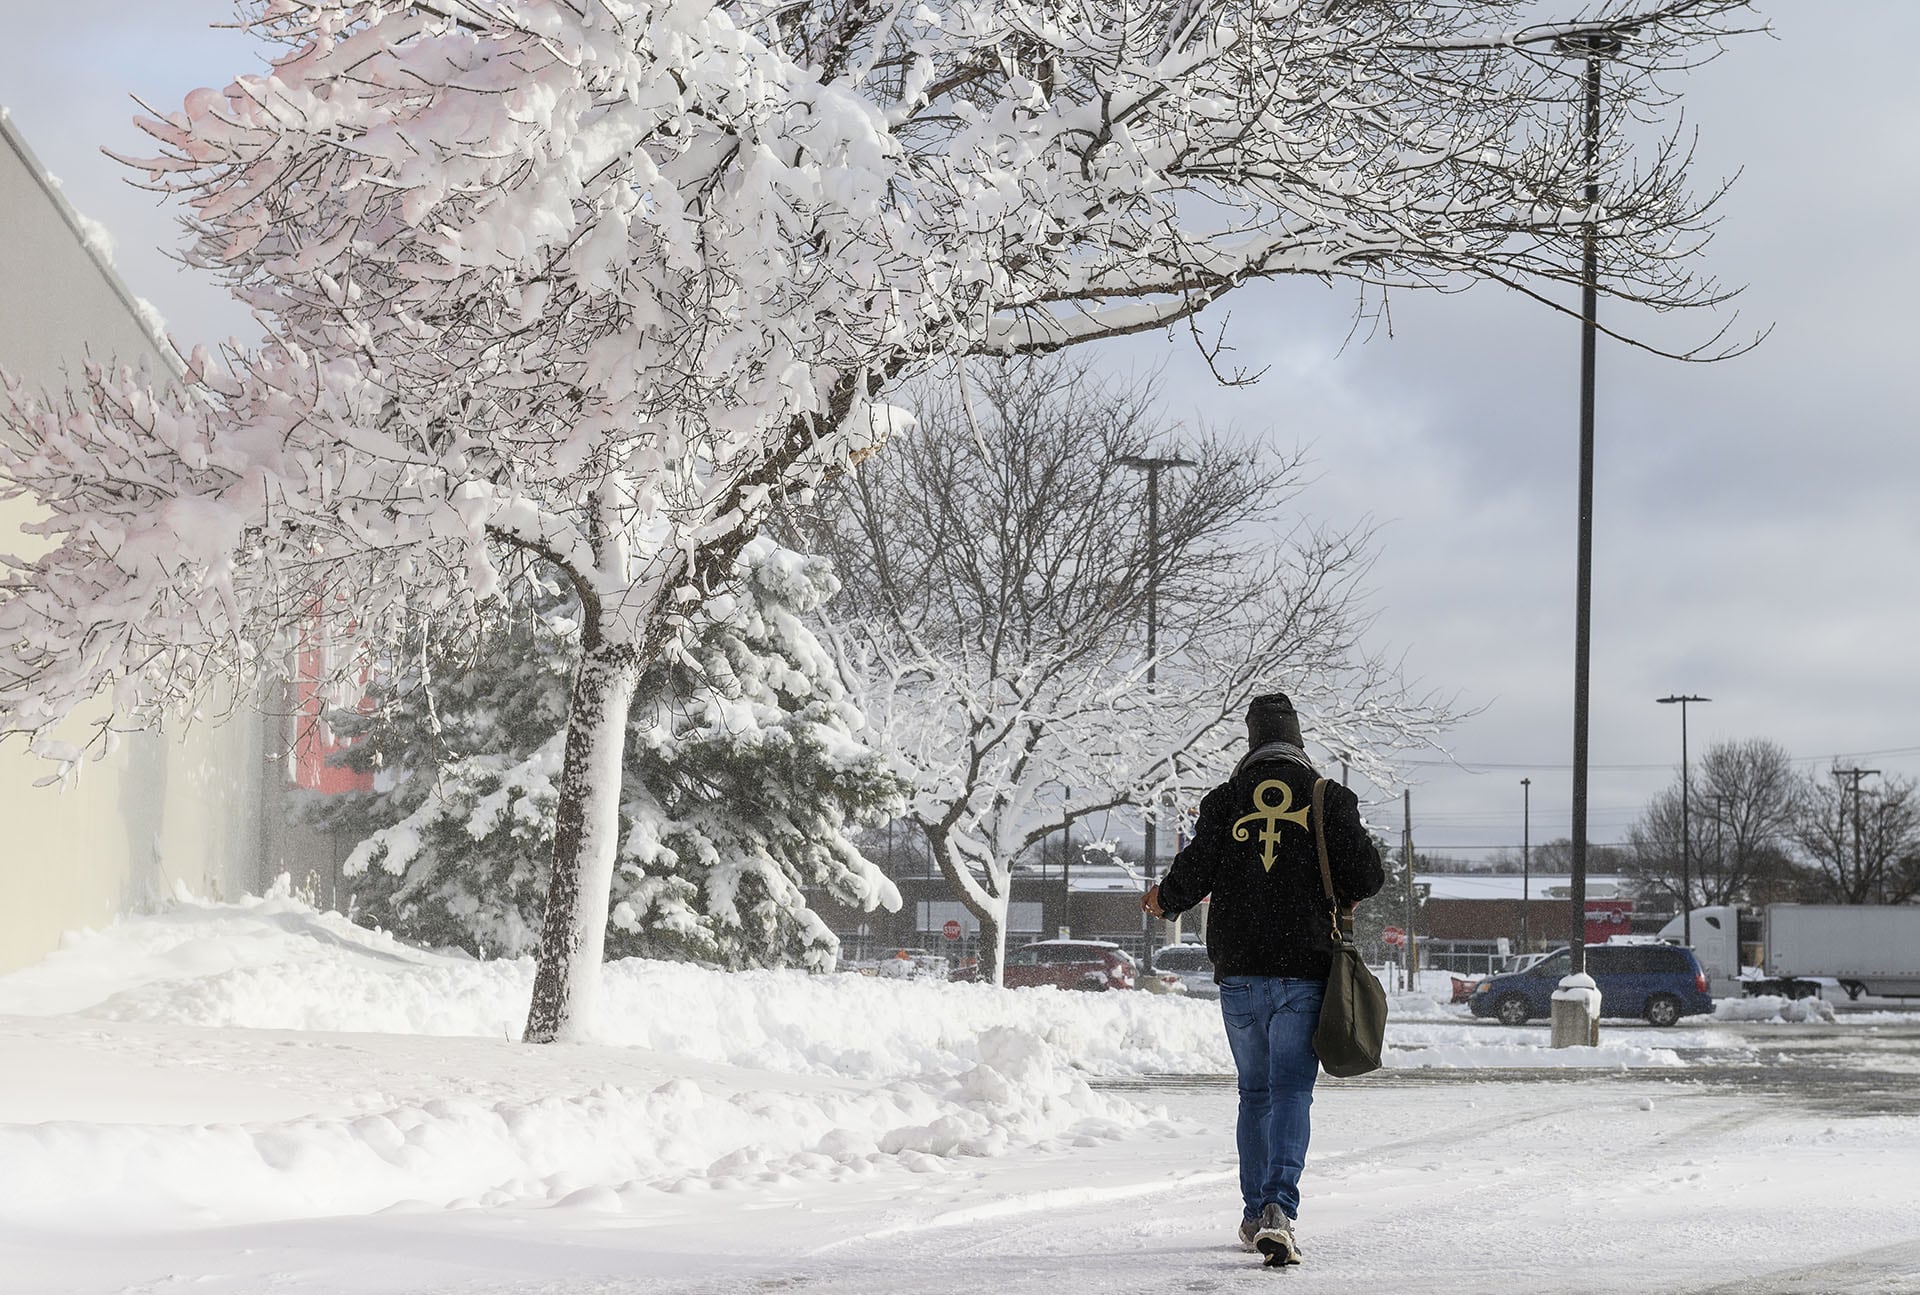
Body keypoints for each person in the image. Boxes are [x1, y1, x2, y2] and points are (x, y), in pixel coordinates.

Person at [1142, 692, 1384, 1265]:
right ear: (1298, 741)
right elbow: (1368, 876)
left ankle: (1254, 1216)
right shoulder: (1329, 798)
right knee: (1292, 1091)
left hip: (1241, 969)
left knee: (1254, 1093)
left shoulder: (1226, 800)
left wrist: (1164, 901)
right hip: (1305, 968)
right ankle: (1280, 1208)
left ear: (1251, 742)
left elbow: (1195, 869)